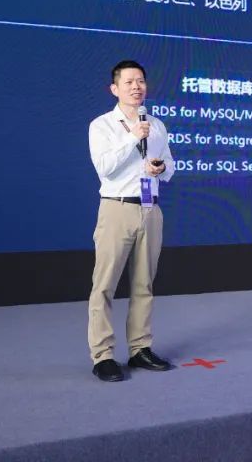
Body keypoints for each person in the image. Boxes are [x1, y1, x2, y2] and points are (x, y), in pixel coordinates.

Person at [86, 60, 175, 382]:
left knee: (144, 284)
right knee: (104, 286)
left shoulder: (158, 125)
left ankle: (140, 348)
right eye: (129, 82)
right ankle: (103, 355)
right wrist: (132, 137)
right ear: (115, 89)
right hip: (117, 208)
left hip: (150, 209)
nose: (137, 87)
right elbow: (105, 168)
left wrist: (160, 168)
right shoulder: (102, 125)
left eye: (141, 81)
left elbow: (170, 165)